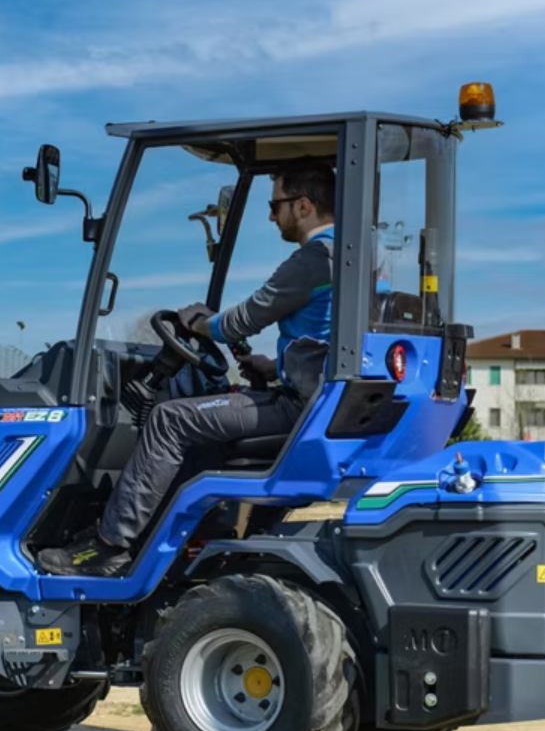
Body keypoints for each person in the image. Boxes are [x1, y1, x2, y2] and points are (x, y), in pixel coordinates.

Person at [38, 165, 336, 577]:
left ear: (303, 205)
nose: (271, 216)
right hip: (319, 401)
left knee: (168, 419)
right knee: (202, 423)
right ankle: (176, 534)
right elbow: (329, 336)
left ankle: (109, 546)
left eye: (275, 205)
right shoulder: (358, 258)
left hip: (301, 409)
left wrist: (197, 320)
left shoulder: (313, 259)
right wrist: (271, 366)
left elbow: (236, 323)